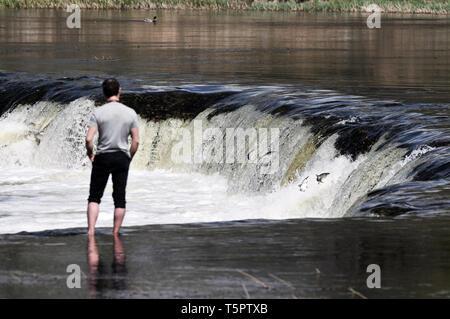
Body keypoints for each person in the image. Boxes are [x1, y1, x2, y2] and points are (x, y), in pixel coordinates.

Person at [85, 78, 140, 237]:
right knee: (120, 198)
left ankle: (91, 231)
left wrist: (91, 154)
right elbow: (136, 140)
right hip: (121, 157)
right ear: (119, 90)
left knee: (94, 197)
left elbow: (89, 139)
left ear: (104, 93)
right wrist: (129, 157)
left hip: (102, 157)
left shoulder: (98, 112)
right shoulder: (130, 112)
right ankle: (115, 233)